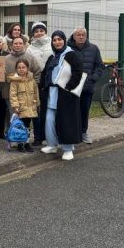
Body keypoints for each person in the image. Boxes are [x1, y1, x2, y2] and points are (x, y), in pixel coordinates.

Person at [39, 31, 83, 161]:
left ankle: (68, 149)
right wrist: (42, 86)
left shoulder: (71, 55)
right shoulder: (51, 57)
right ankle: (52, 144)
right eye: (54, 40)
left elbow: (78, 72)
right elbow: (45, 73)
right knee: (49, 120)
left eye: (59, 39)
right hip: (51, 93)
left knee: (66, 121)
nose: (57, 42)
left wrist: (68, 87)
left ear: (64, 40)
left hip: (65, 94)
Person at [69, 27, 104, 145]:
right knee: (72, 111)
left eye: (83, 34)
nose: (81, 37)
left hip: (87, 87)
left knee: (84, 111)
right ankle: (73, 134)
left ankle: (84, 133)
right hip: (71, 87)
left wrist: (93, 78)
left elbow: (99, 66)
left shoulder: (94, 49)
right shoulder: (68, 49)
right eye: (78, 35)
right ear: (74, 36)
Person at [26, 21, 52, 147]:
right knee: (36, 110)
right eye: (36, 31)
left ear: (45, 32)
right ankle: (38, 137)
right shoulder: (30, 48)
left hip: (50, 82)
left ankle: (50, 135)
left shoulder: (52, 44)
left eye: (41, 30)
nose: (39, 33)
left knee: (49, 110)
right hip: (35, 83)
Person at [8, 59, 39, 153]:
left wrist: (37, 104)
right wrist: (15, 106)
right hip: (21, 108)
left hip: (30, 107)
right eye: (19, 67)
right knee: (21, 126)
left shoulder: (32, 80)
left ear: (27, 68)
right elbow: (13, 95)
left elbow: (36, 93)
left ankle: (27, 143)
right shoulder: (14, 81)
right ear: (16, 69)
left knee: (28, 126)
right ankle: (20, 144)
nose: (21, 69)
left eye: (23, 67)